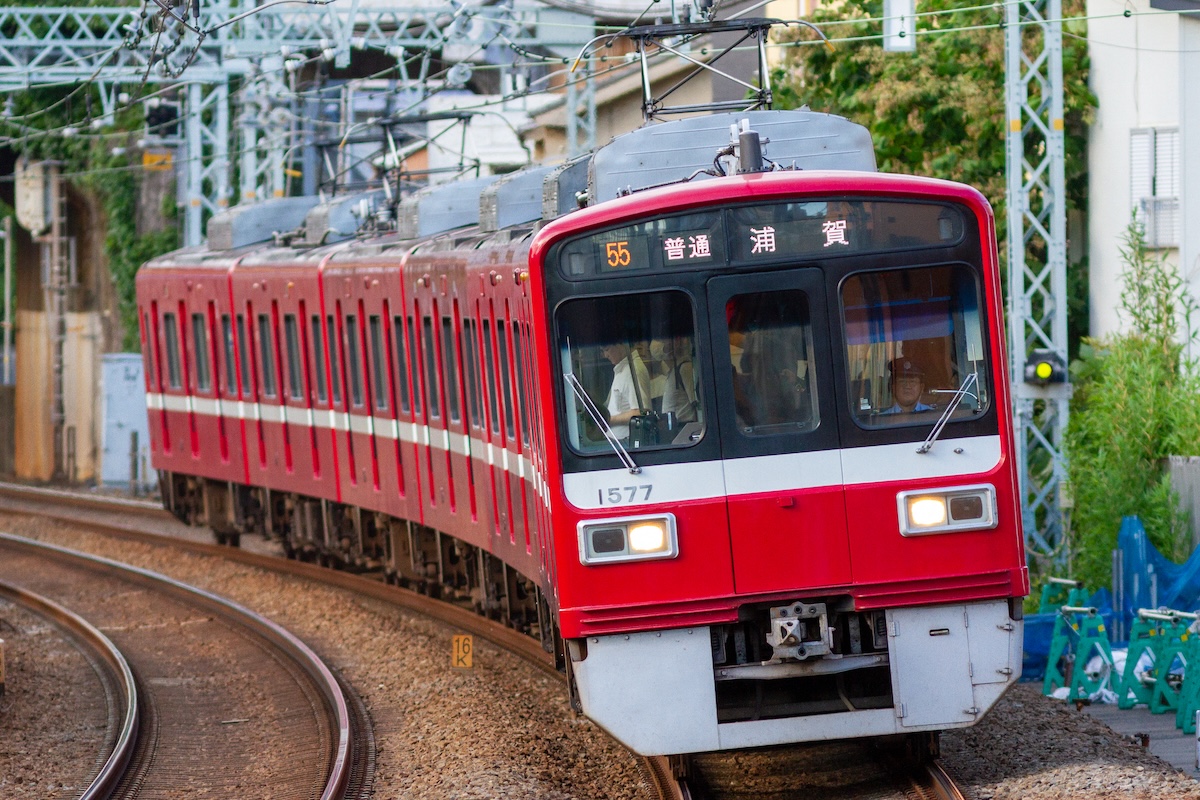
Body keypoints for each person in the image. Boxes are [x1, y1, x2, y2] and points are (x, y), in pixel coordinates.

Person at [600, 342, 652, 440]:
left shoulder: (634, 371)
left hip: (626, 443)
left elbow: (641, 412)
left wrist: (609, 420)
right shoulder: (622, 369)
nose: (606, 355)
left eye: (607, 349)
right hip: (617, 441)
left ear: (621, 344)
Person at [659, 336, 698, 424]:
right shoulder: (674, 369)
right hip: (673, 425)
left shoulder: (685, 367)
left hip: (685, 424)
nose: (668, 346)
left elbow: (695, 403)